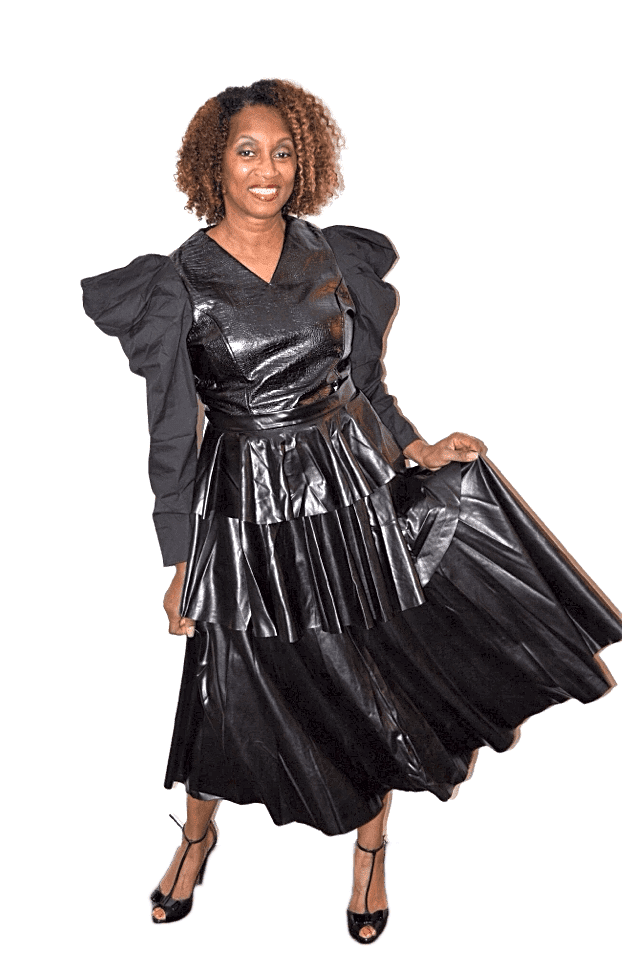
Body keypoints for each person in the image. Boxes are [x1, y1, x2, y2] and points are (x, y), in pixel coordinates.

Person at [81, 78, 622, 944]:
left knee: (373, 669)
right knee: (231, 677)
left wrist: (415, 449)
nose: (266, 170)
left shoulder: (334, 258)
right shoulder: (177, 283)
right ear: (214, 163)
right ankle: (196, 835)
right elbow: (174, 433)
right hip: (246, 505)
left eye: (282, 152)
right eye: (247, 152)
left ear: (304, 162)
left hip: (351, 484)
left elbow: (361, 385)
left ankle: (370, 850)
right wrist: (179, 559)